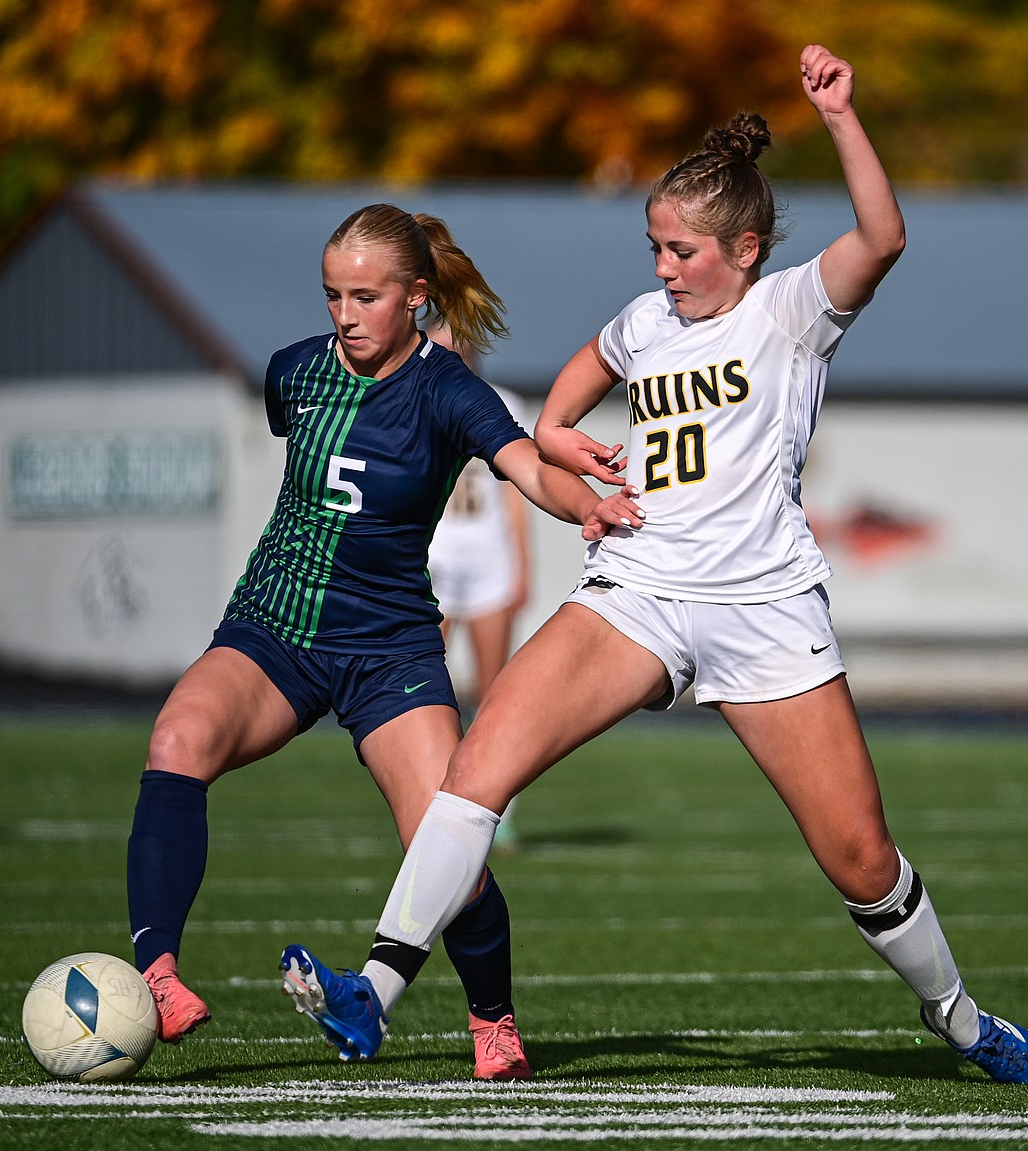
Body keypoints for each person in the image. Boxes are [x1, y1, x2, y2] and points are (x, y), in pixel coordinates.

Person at [284, 46, 1028, 1085]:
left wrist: (839, 116)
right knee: (475, 770)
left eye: (682, 250)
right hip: (640, 590)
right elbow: (584, 371)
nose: (662, 269)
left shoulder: (790, 310)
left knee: (861, 859)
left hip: (763, 607)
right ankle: (370, 993)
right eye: (654, 246)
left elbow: (885, 236)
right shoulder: (649, 321)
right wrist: (556, 435)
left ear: (744, 248)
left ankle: (963, 1019)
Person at [125, 202, 622, 1081]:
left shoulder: (448, 388)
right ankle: (158, 976)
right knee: (176, 740)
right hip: (273, 624)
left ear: (416, 298)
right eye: (332, 296)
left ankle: (494, 1021)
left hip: (389, 647)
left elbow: (522, 465)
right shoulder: (296, 373)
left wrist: (589, 504)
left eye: (365, 296)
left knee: (447, 840)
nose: (344, 315)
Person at [427, 324, 532, 851]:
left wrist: (521, 568)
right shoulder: (420, 393)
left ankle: (501, 810)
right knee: (421, 684)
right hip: (438, 559)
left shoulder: (504, 402)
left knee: (493, 692)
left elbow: (516, 495)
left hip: (488, 558)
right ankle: (433, 796)